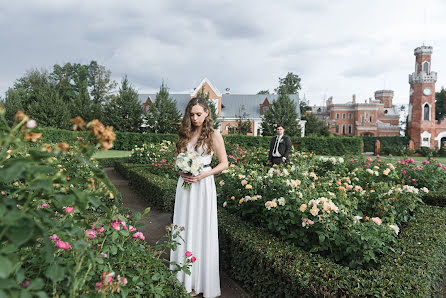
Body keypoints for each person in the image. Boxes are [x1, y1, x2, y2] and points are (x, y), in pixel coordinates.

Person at [170, 97, 228, 298]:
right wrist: (181, 172)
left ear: (206, 113)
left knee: (201, 228)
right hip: (185, 186)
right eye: (192, 114)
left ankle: (200, 281)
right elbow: (177, 161)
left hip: (203, 185)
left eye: (199, 114)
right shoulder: (185, 133)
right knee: (184, 226)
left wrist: (204, 174)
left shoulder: (213, 134)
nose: (195, 118)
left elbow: (224, 163)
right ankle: (183, 279)